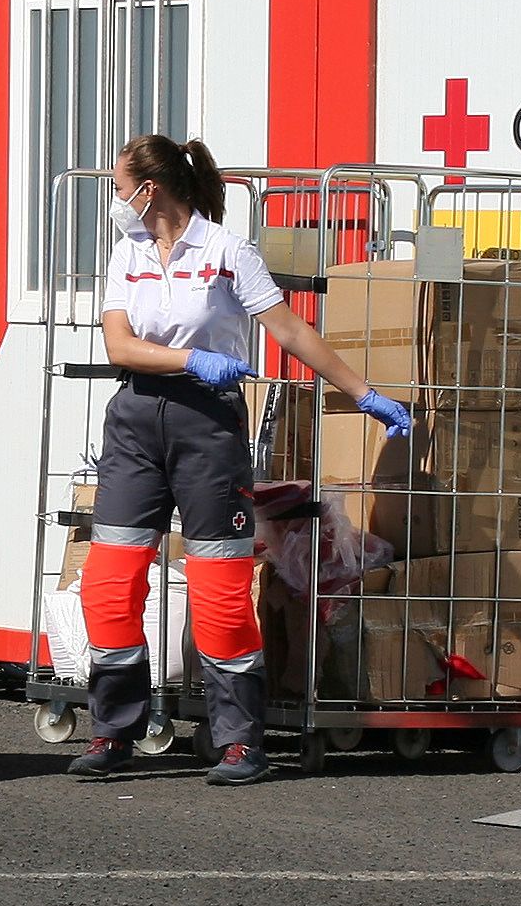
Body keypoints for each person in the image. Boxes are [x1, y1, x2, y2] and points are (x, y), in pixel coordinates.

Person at [72, 135, 413, 787]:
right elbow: (119, 344)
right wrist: (187, 358)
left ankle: (238, 742)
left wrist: (361, 392)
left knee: (220, 592)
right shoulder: (127, 252)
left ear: (150, 189)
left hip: (207, 426)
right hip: (136, 420)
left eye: (119, 188)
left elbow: (288, 330)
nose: (114, 201)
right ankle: (113, 731)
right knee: (110, 585)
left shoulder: (229, 252)